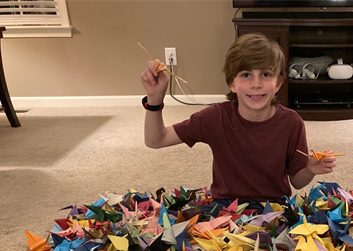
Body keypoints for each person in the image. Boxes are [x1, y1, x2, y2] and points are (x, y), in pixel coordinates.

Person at [140, 33, 337, 207]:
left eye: (266, 74)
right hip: (224, 207)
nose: (256, 84)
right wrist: (155, 100)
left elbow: (297, 181)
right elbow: (156, 140)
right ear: (232, 84)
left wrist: (311, 169)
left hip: (274, 208)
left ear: (278, 83)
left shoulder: (291, 122)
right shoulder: (215, 117)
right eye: (246, 75)